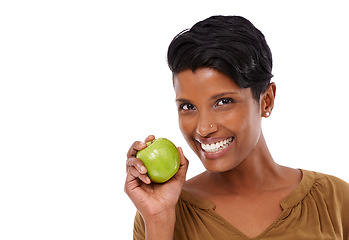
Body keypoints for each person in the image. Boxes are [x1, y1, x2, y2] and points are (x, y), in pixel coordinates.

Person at [124, 15, 349, 240]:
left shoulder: (334, 200)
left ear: (266, 100)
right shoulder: (159, 212)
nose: (203, 128)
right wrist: (159, 219)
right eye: (188, 106)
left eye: (223, 102)